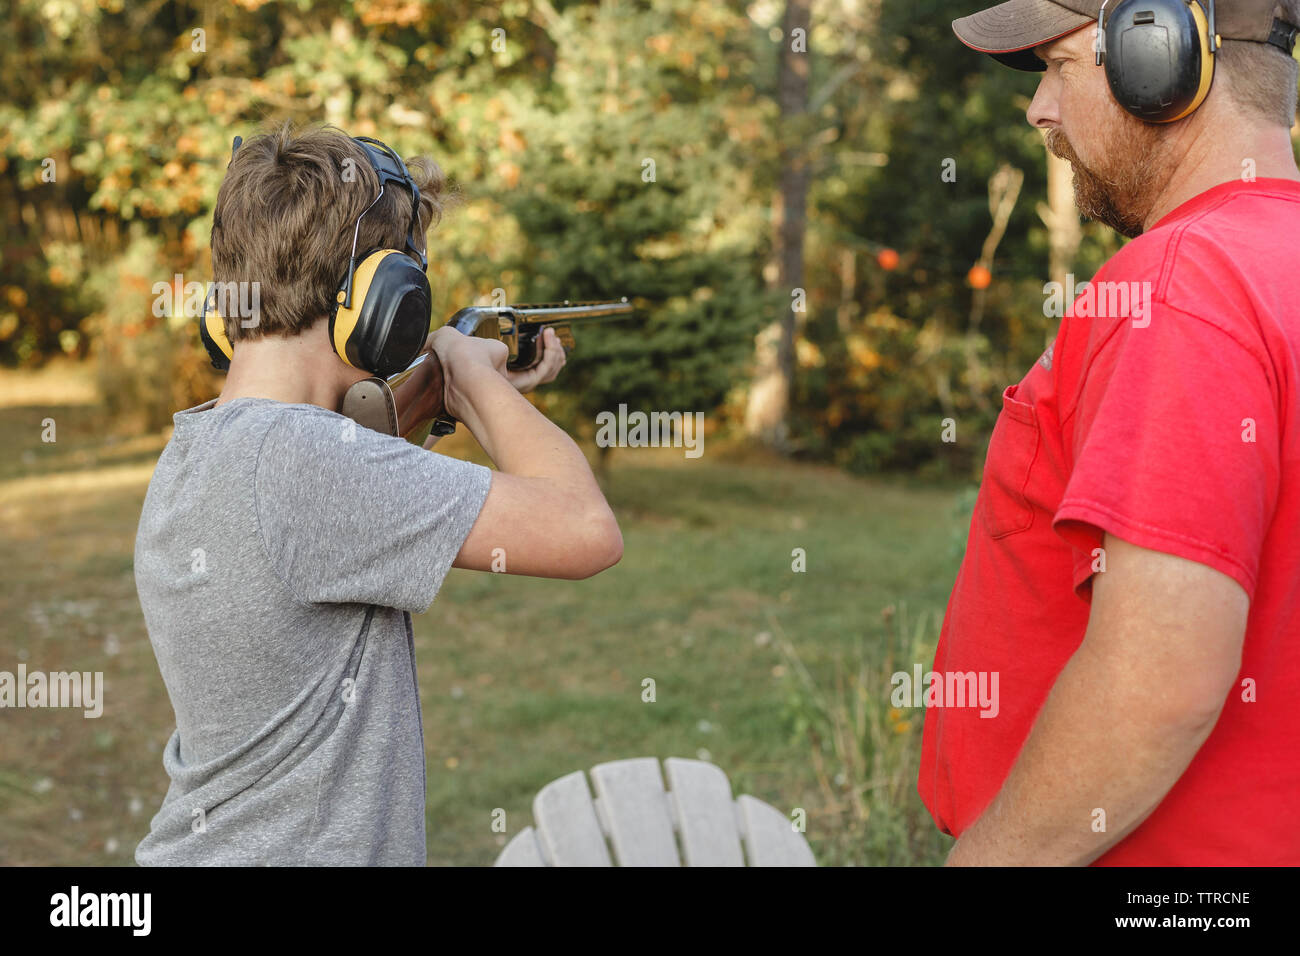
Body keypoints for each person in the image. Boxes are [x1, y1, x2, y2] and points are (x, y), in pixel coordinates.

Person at [133, 124, 622, 865]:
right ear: (383, 300)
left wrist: (438, 390)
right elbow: (586, 530)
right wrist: (474, 373)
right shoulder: (308, 464)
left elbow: (336, 501)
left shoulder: (202, 446)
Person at [923, 0, 1300, 864]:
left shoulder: (1180, 284)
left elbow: (1158, 682)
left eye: (1057, 65)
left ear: (1157, 53)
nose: (1037, 111)